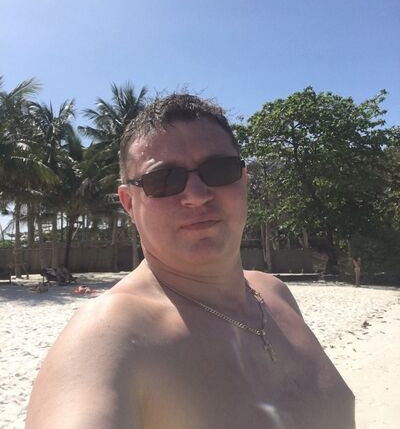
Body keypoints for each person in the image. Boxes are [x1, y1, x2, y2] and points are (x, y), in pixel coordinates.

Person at [26, 94, 355, 429]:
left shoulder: (274, 294)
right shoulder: (107, 337)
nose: (197, 196)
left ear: (243, 180)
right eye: (164, 179)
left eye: (219, 170)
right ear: (129, 203)